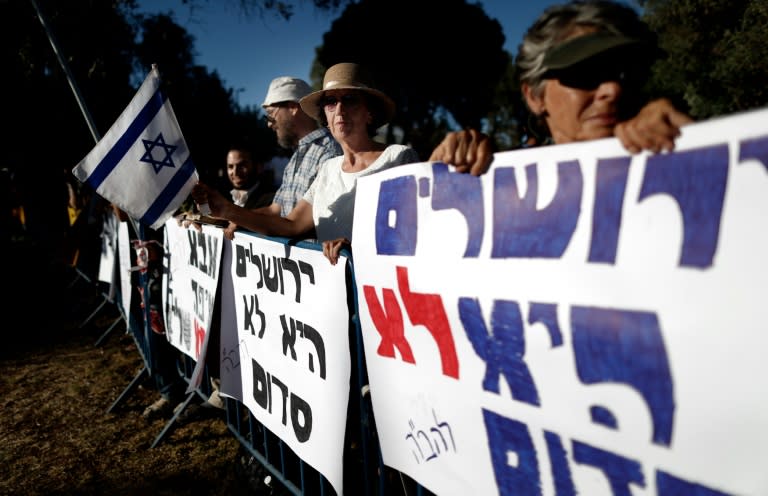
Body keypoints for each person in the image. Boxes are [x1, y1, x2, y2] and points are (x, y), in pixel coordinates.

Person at [191, 63, 420, 265]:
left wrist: (357, 248)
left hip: (377, 301)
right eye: (331, 102)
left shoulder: (398, 158)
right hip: (333, 300)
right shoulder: (328, 169)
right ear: (325, 117)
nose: (339, 110)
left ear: (370, 113)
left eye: (349, 99)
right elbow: (290, 223)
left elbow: (413, 235)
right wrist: (228, 211)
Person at [428, 0, 693, 172]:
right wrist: (438, 177)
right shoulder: (500, 182)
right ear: (534, 96)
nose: (613, 90)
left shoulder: (667, 147)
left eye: (627, 73)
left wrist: (689, 140)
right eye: (586, 72)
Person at [219, 145, 276, 239]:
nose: (235, 172)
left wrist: (242, 220)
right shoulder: (222, 198)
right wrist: (200, 221)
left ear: (259, 167)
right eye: (230, 166)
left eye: (242, 165)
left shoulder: (272, 199)